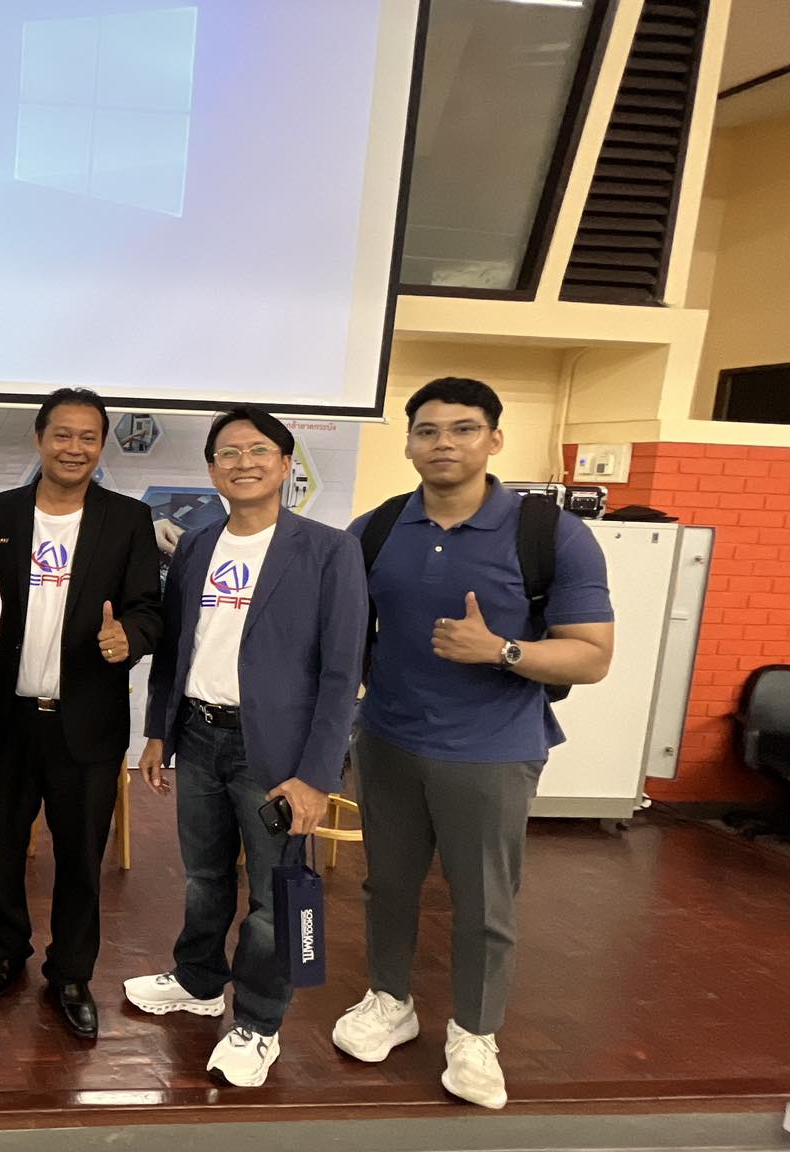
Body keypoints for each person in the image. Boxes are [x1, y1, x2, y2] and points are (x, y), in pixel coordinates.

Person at [331, 377, 614, 1109]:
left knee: (485, 901)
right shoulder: (376, 529)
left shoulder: (549, 534)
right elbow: (345, 635)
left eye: (463, 429)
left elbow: (591, 656)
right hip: (388, 740)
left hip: (492, 750)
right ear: (408, 444)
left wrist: (501, 651)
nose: (444, 444)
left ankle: (475, 1032)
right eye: (427, 431)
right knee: (388, 884)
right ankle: (389, 1001)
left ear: (494, 439)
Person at [122, 406, 368, 1088]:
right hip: (200, 737)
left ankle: (259, 1023)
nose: (243, 463)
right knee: (202, 877)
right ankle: (199, 980)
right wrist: (158, 731)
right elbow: (176, 647)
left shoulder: (328, 550)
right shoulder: (197, 546)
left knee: (272, 896)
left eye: (258, 451)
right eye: (227, 453)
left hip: (279, 755)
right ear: (211, 471)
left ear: (286, 465)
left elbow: (342, 673)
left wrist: (317, 775)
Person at [0, 387, 161, 1038]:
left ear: (101, 446)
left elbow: (148, 608)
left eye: (88, 437)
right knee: (1, 849)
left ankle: (72, 973)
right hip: (7, 720)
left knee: (81, 858)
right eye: (63, 434)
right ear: (40, 438)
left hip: (88, 722)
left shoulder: (128, 519)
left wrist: (129, 638)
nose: (74, 448)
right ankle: (4, 951)